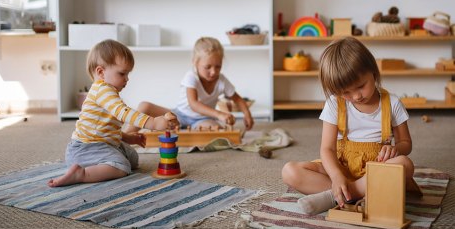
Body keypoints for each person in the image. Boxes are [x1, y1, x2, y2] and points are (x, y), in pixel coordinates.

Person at [281, 37, 417, 215]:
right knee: (290, 171)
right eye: (345, 92)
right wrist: (337, 176)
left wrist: (396, 149)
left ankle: (337, 196)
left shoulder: (392, 103)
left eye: (361, 86)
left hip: (376, 169)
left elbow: (406, 143)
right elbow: (327, 149)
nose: (356, 96)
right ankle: (356, 192)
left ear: (373, 72)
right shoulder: (334, 104)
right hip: (341, 168)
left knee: (404, 164)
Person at [48, 39, 179, 187]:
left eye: (128, 74)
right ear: (101, 72)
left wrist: (128, 137)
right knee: (122, 166)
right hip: (86, 149)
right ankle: (82, 174)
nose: (127, 79)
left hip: (102, 143)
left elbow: (104, 128)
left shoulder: (108, 92)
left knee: (133, 158)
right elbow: (125, 113)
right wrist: (154, 123)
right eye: (122, 73)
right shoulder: (103, 90)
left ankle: (102, 164)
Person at [125, 36, 254, 133]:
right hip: (179, 115)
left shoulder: (222, 80)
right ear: (195, 63)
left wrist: (247, 114)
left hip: (201, 120)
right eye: (207, 67)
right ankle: (126, 136)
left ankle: (186, 131)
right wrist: (219, 114)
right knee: (144, 106)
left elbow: (237, 99)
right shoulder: (191, 76)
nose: (213, 72)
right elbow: (194, 104)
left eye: (218, 66)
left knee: (216, 129)